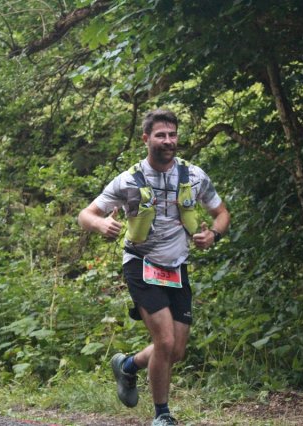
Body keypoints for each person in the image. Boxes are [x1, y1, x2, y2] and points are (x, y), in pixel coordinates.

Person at [78, 108, 230, 426]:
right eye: (161, 135)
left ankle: (128, 365)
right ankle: (162, 415)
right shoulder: (128, 180)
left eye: (172, 135)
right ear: (146, 138)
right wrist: (101, 224)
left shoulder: (194, 176)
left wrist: (213, 235)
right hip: (141, 264)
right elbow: (85, 214)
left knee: (176, 351)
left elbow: (222, 213)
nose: (168, 141)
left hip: (177, 267)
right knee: (165, 341)